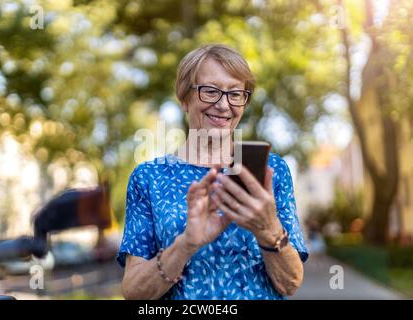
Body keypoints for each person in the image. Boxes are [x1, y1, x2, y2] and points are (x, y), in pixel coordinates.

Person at [116, 44, 308, 300]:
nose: (223, 105)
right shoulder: (148, 177)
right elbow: (134, 293)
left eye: (235, 94)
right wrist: (185, 245)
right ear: (185, 98)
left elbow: (291, 284)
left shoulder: (272, 171)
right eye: (210, 91)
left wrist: (268, 229)